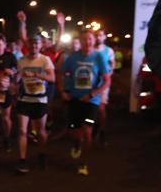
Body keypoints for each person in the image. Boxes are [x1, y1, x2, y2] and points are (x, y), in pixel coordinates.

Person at [60, 29, 110, 176]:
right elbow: (61, 73)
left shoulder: (99, 56)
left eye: (89, 39)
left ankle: (83, 163)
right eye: (84, 39)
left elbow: (107, 80)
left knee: (87, 131)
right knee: (73, 132)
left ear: (94, 41)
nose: (87, 42)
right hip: (74, 100)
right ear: (79, 41)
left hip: (91, 101)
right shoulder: (72, 57)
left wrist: (92, 94)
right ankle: (76, 144)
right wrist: (63, 90)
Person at [14, 35, 55, 173]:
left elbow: (52, 78)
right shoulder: (21, 61)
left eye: (36, 44)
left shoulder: (45, 60)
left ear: (40, 45)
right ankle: (22, 160)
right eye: (32, 44)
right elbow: (18, 78)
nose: (34, 47)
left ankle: (42, 154)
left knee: (40, 132)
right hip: (25, 99)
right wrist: (15, 80)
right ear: (28, 45)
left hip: (40, 100)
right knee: (22, 130)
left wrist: (36, 75)